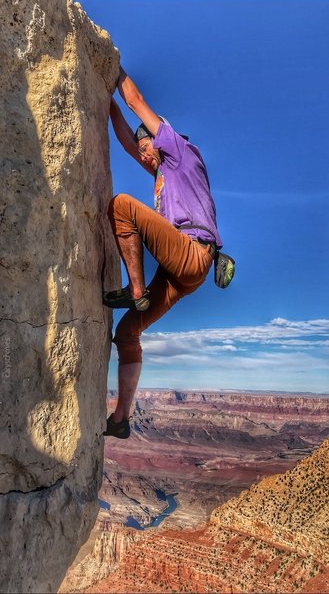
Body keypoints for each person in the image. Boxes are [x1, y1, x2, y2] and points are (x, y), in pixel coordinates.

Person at [103, 66, 222, 439]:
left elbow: (137, 102)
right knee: (126, 332)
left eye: (147, 148)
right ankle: (121, 419)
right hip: (181, 274)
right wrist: (105, 104)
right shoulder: (161, 174)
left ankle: (135, 291)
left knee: (121, 206)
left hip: (192, 252)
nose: (144, 156)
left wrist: (113, 69)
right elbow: (126, 141)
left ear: (160, 140)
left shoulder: (180, 151)